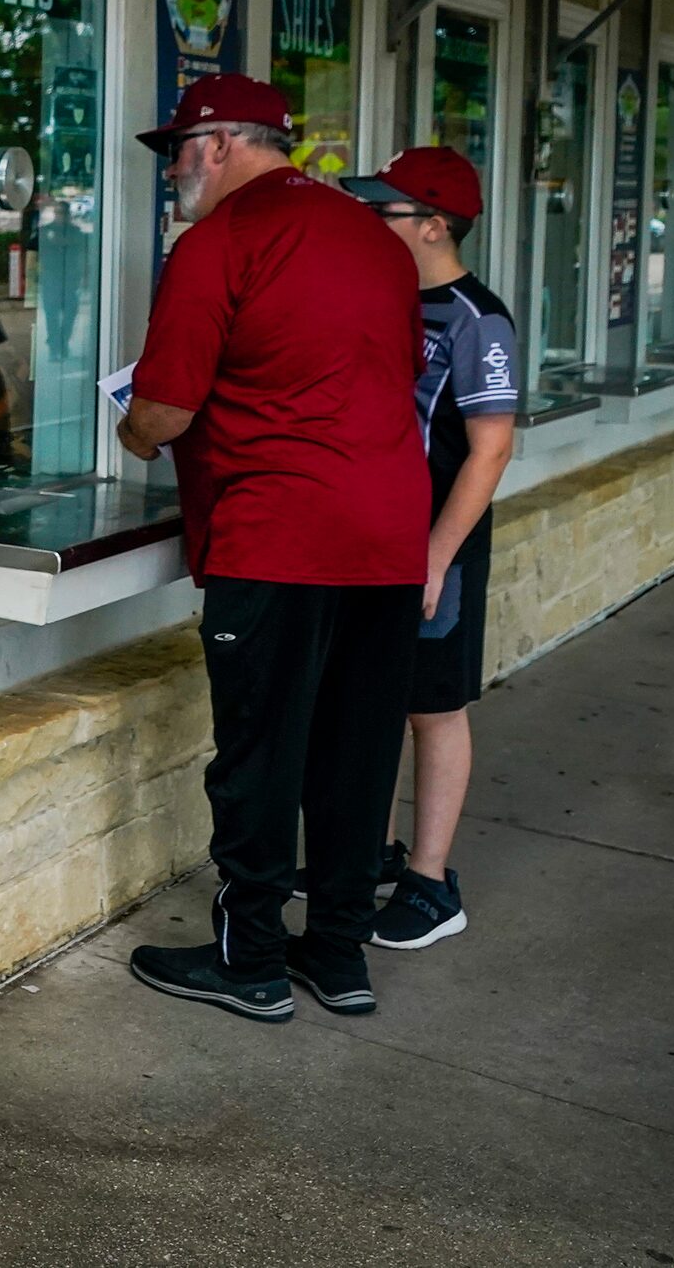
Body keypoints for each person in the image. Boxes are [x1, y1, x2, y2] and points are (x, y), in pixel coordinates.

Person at [116, 74, 430, 1022]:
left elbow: (165, 407)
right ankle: (336, 954)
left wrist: (131, 435)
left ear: (217, 146)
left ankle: (249, 958)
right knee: (356, 752)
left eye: (176, 149)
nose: (172, 168)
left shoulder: (220, 240)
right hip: (386, 536)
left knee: (258, 757)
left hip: (279, 535)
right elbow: (396, 374)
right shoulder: (373, 242)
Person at [342, 147, 520, 951]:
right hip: (370, 538)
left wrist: (437, 555)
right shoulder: (379, 299)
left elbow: (489, 449)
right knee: (374, 695)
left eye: (382, 212)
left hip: (430, 546)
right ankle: (372, 856)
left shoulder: (478, 317)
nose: (367, 223)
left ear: (433, 225)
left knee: (431, 705)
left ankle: (429, 880)